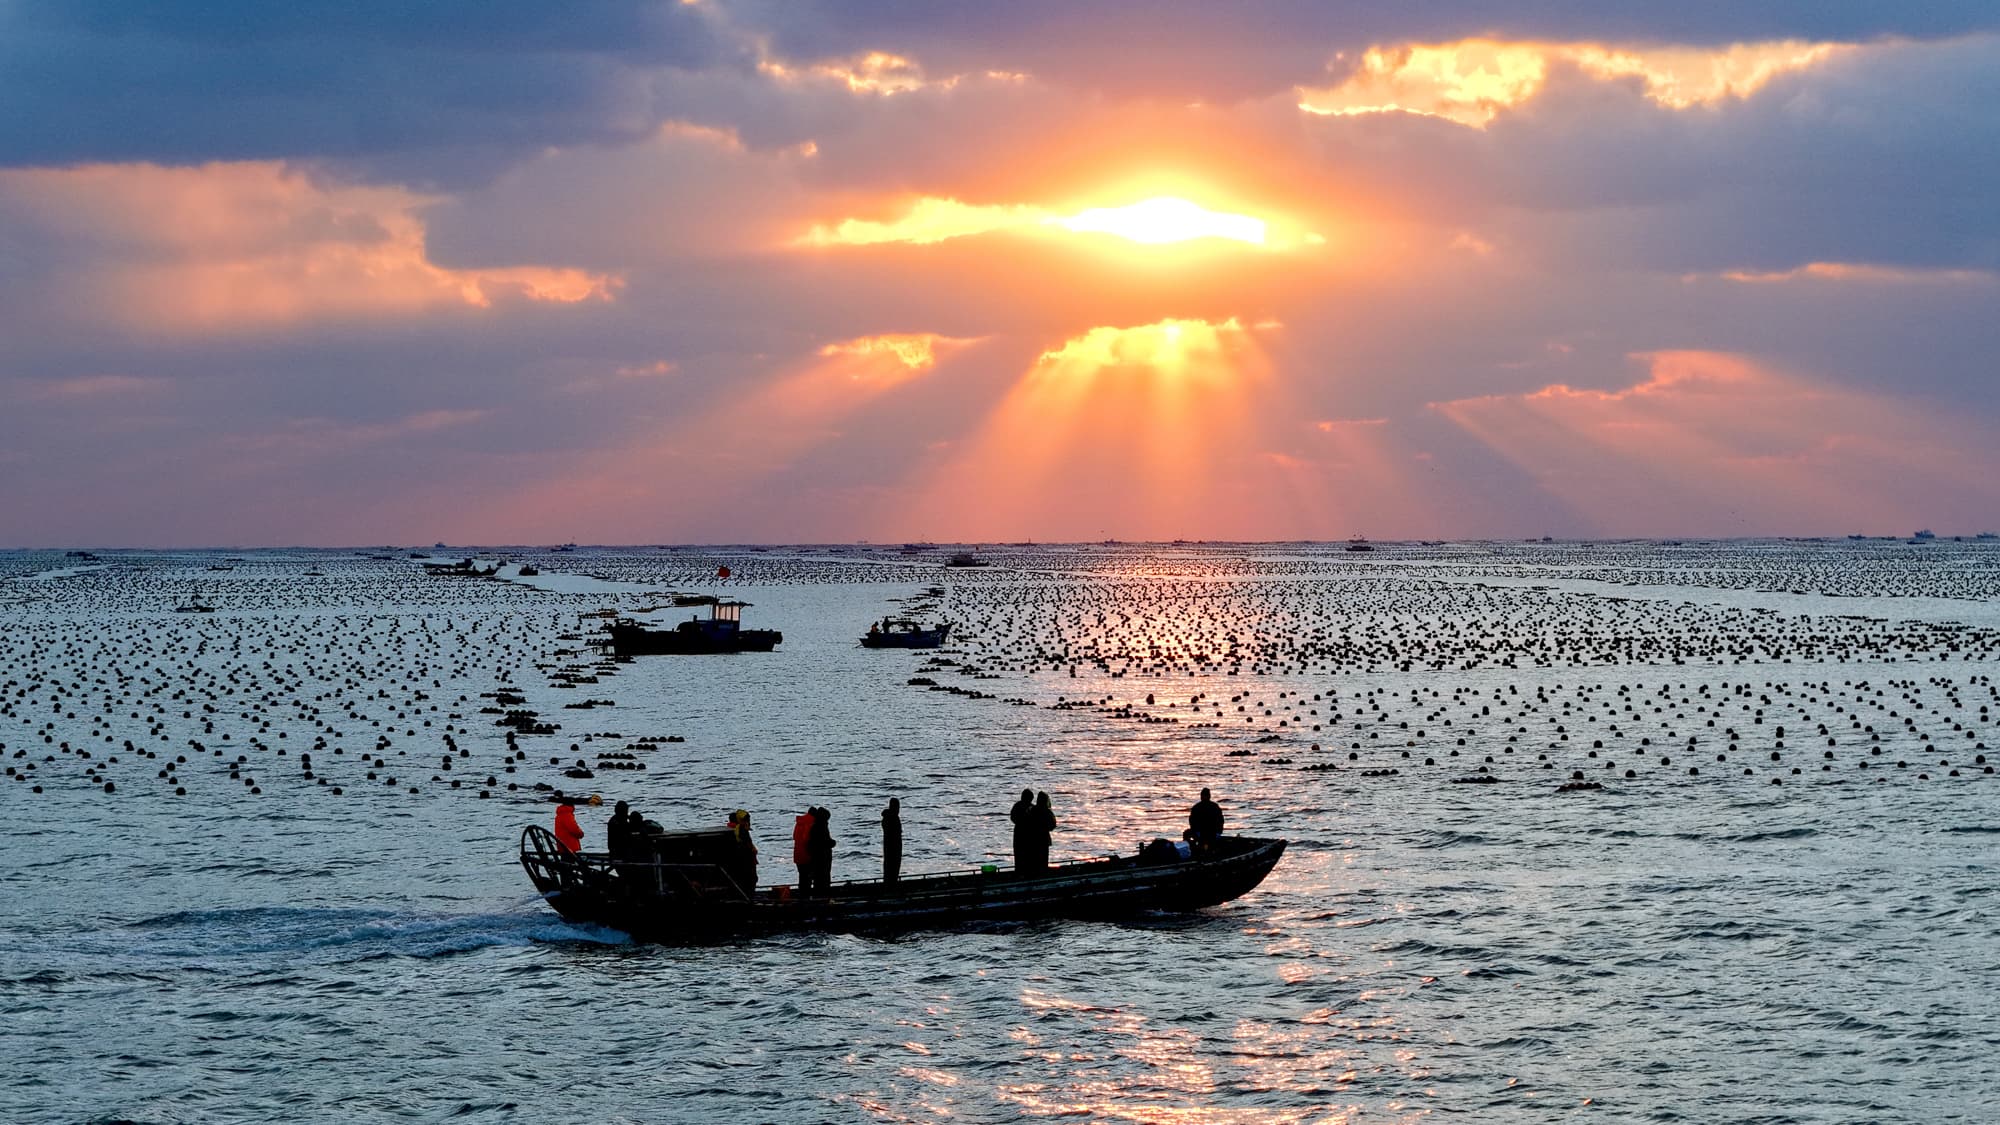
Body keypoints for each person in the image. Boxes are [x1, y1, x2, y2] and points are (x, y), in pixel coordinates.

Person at [728, 809, 758, 894]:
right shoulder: (740, 830)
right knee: (750, 880)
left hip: (740, 861)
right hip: (746, 861)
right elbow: (747, 845)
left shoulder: (733, 830)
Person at [807, 806, 836, 895]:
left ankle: (819, 894)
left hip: (816, 857)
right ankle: (823, 895)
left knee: (818, 878)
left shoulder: (815, 826)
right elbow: (824, 842)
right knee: (823, 877)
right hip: (822, 857)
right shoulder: (821, 827)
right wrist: (832, 843)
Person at [1009, 787, 1038, 873]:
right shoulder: (1032, 807)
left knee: (1019, 855)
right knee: (1028, 854)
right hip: (1027, 834)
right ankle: (1028, 872)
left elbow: (1013, 818)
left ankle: (1020, 872)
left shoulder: (1017, 806)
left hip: (1020, 833)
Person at [1188, 787, 1224, 854]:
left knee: (1211, 847)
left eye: (1205, 795)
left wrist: (1219, 832)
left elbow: (1220, 820)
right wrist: (1196, 832)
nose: (1204, 797)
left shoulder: (1214, 807)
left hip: (1212, 832)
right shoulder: (1196, 808)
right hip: (1201, 833)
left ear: (1209, 796)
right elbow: (1192, 821)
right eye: (1203, 795)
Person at [1034, 791, 1057, 871]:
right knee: (1043, 857)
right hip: (1043, 837)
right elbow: (1053, 825)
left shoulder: (1033, 809)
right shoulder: (1047, 811)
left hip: (1033, 838)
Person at [881, 797, 903, 885]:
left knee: (891, 866)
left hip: (892, 846)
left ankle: (891, 883)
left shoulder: (890, 817)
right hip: (892, 846)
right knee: (892, 866)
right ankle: (890, 885)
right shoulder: (891, 818)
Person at [793, 807, 814, 891]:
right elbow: (807, 839)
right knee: (808, 877)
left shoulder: (799, 822)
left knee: (802, 876)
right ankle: (807, 897)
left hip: (798, 853)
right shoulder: (810, 823)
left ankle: (802, 895)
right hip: (807, 854)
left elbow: (794, 836)